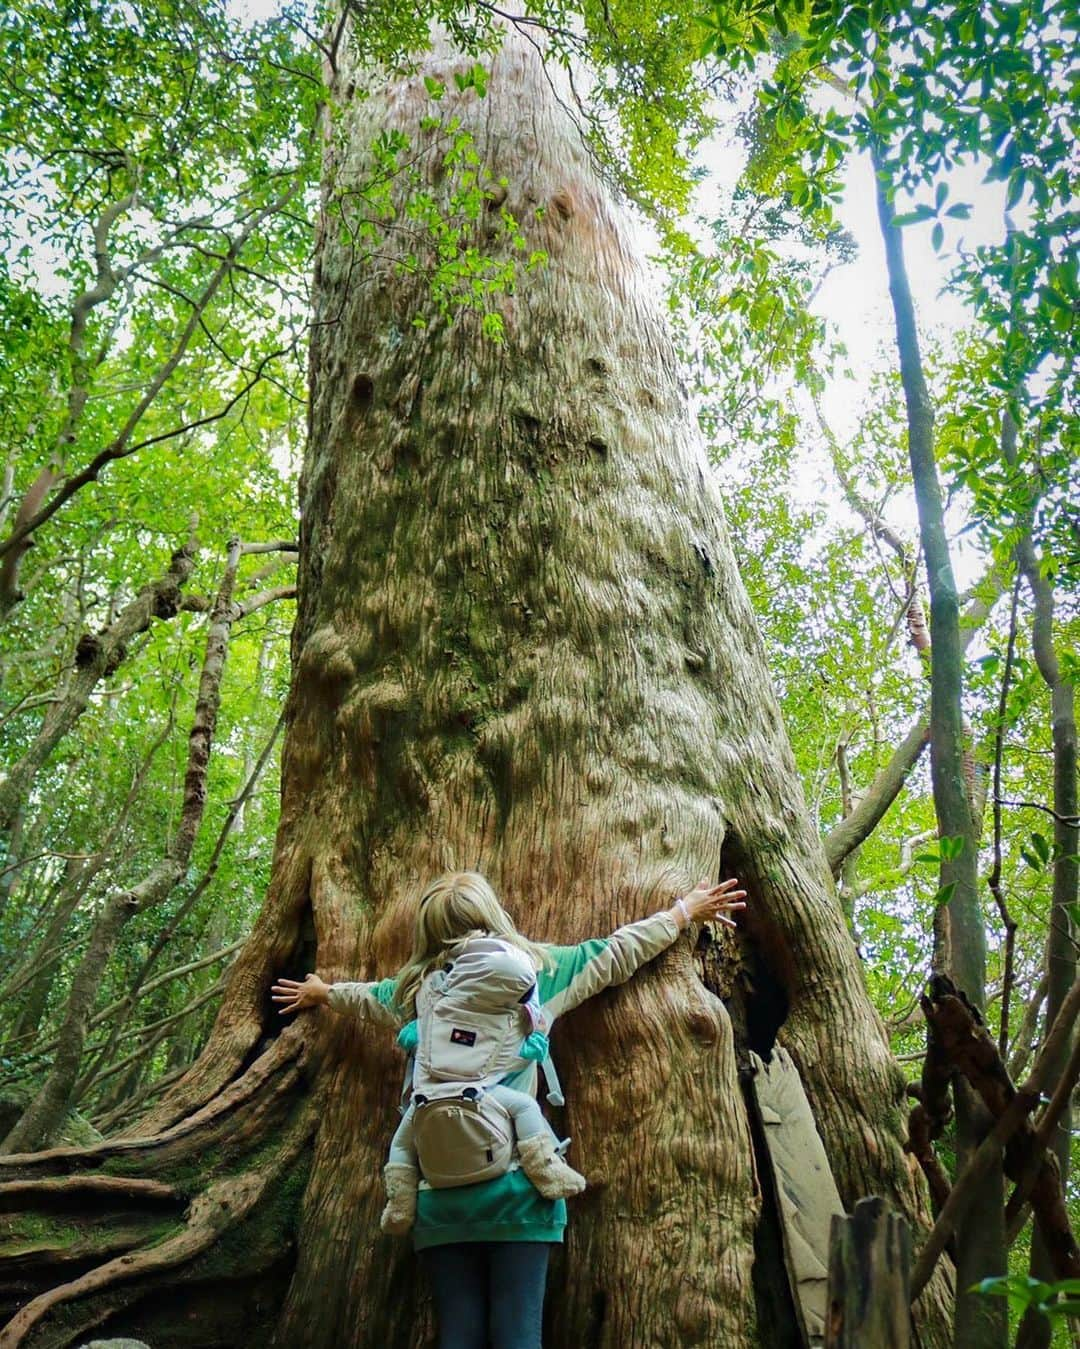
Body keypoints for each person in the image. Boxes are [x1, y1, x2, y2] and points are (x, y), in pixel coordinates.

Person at [272, 870, 747, 1349]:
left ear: (428, 932)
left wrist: (323, 993)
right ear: (491, 914)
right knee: (518, 1337)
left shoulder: (417, 990)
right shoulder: (535, 973)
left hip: (436, 1194)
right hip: (519, 1189)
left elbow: (367, 998)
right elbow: (616, 953)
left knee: (458, 1335)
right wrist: (684, 912)